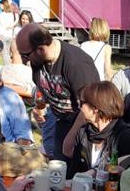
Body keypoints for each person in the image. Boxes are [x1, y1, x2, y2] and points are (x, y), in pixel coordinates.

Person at [15, 23, 100, 161]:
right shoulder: (38, 59)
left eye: (25, 55)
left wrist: (70, 137)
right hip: (61, 121)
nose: (24, 60)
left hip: (83, 127)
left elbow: (89, 108)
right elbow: (42, 83)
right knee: (58, 167)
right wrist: (40, 103)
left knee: (74, 170)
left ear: (40, 49)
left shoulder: (77, 64)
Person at [69, 81, 130, 177]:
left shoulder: (125, 136)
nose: (80, 107)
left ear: (95, 108)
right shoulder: (83, 132)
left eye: (82, 103)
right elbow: (74, 170)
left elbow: (128, 174)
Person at [0, 0, 16, 66]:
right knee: (8, 52)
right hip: (9, 35)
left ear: (4, 5)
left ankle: (8, 67)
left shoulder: (1, 15)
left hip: (2, 35)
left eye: (0, 5)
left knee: (4, 53)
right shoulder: (11, 14)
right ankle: (9, 65)